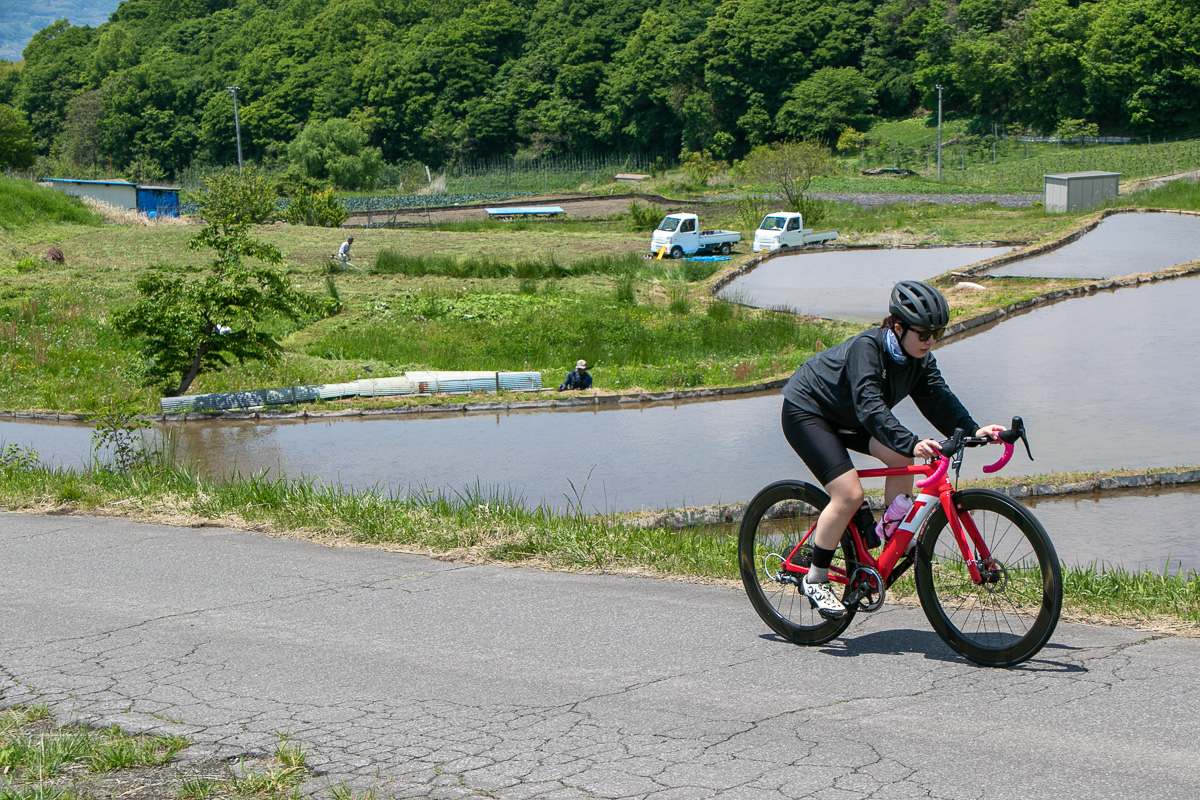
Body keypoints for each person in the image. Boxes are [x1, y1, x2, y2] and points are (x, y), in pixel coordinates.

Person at [779, 280, 1006, 619]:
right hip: (809, 412)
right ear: (898, 326)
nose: (930, 342)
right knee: (849, 494)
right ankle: (816, 577)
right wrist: (913, 442)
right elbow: (871, 407)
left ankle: (891, 530)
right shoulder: (867, 350)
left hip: (850, 416)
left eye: (937, 333)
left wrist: (975, 430)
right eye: (923, 334)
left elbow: (939, 399)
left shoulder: (919, 359)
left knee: (900, 459)